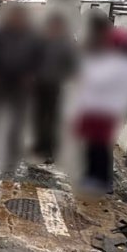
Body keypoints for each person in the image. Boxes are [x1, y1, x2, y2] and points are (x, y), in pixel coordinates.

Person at [72, 14, 127, 195]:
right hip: (98, 105)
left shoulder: (118, 48)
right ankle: (92, 176)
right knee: (93, 142)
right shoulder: (109, 46)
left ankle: (102, 181)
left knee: (100, 143)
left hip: (107, 107)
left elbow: (101, 76)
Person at [0, 4, 42, 175]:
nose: (17, 20)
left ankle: (10, 163)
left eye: (20, 17)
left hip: (20, 87)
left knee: (16, 126)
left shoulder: (32, 37)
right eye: (14, 17)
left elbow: (38, 59)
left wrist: (31, 76)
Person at [32, 12, 77, 163]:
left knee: (51, 118)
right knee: (38, 117)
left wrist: (64, 75)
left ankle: (49, 150)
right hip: (38, 85)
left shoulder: (66, 44)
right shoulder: (40, 42)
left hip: (54, 86)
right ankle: (38, 146)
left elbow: (72, 65)